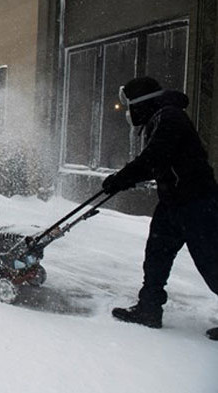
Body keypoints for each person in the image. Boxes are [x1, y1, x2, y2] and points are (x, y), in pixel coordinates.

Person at [102, 76, 218, 341]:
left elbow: (154, 158)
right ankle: (149, 309)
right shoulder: (159, 118)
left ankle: (150, 307)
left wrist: (121, 178)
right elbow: (158, 163)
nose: (128, 112)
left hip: (198, 204)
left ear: (141, 103)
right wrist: (126, 179)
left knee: (212, 262)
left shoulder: (170, 117)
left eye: (129, 105)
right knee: (156, 256)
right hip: (173, 202)